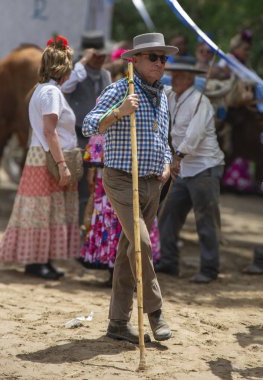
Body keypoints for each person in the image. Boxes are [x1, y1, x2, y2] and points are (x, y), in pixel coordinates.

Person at [82, 32, 178, 343]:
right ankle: (156, 311)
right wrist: (118, 112)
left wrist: (165, 162)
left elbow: (162, 140)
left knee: (128, 253)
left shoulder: (162, 96)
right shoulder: (119, 89)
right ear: (134, 59)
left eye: (163, 58)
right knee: (142, 245)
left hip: (152, 182)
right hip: (122, 178)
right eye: (154, 57)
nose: (161, 63)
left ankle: (117, 323)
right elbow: (88, 124)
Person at [0, 35, 80, 280]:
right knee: (43, 211)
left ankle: (43, 260)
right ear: (62, 68)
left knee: (44, 211)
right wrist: (62, 164)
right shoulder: (51, 92)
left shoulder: (41, 89)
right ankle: (37, 262)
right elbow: (49, 130)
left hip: (40, 155)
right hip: (47, 157)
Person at [155, 57, 225, 284]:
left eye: (181, 76)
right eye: (174, 75)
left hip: (204, 168)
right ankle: (168, 260)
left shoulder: (200, 102)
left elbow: (194, 135)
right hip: (184, 168)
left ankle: (210, 268)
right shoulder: (172, 96)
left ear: (190, 79)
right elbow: (156, 87)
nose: (175, 79)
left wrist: (178, 156)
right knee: (168, 216)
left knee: (206, 220)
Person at [80, 134, 161, 287]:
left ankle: (123, 277)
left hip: (117, 183)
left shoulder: (107, 125)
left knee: (122, 223)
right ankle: (122, 277)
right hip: (113, 184)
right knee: (123, 223)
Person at [61, 30, 112, 225]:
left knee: (94, 188)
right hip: (77, 135)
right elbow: (66, 88)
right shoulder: (75, 72)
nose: (100, 58)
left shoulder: (106, 75)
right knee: (77, 186)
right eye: (95, 54)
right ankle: (72, 230)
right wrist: (82, 61)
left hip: (99, 139)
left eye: (102, 54)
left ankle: (85, 231)